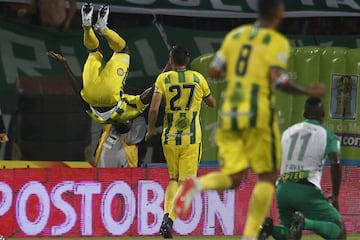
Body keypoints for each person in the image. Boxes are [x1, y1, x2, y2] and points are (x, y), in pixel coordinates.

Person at [173, 0, 325, 239]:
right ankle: (250, 235)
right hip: (257, 114)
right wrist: (307, 90)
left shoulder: (236, 35)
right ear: (277, 13)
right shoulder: (277, 42)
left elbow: (214, 70)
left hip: (230, 114)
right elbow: (278, 78)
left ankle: (197, 185)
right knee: (267, 176)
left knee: (233, 178)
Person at [145, 45, 216, 238]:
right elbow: (212, 103)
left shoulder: (163, 79)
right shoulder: (198, 79)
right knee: (186, 183)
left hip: (169, 138)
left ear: (171, 60)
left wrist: (151, 129)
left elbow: (153, 109)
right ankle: (170, 220)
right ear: (188, 60)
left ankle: (166, 216)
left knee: (173, 180)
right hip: (191, 139)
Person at [47, 3, 153, 126]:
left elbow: (146, 97)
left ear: (127, 122)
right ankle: (87, 27)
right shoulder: (97, 118)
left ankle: (103, 29)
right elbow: (78, 90)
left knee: (123, 51)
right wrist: (65, 65)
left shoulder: (128, 114)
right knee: (94, 51)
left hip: (110, 96)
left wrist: (159, 85)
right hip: (90, 95)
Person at [258, 97, 346, 240]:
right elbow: (335, 162)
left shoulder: (287, 132)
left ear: (304, 114)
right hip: (306, 189)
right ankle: (305, 222)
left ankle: (268, 228)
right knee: (339, 230)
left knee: (289, 234)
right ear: (322, 114)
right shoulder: (327, 135)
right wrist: (335, 195)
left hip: (283, 188)